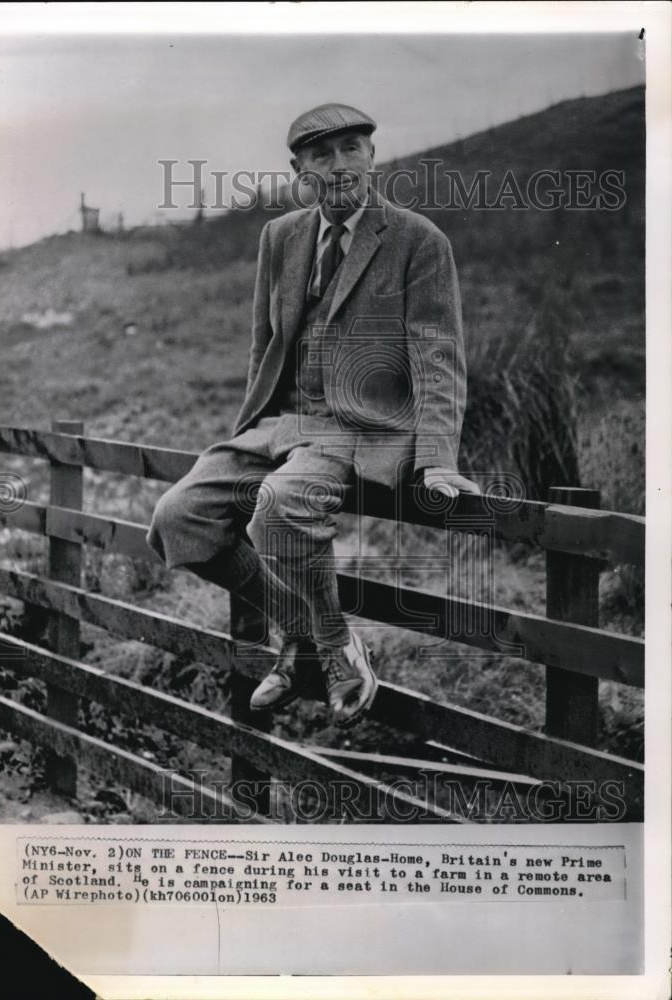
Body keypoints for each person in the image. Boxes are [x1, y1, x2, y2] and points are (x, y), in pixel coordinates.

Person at [148, 102, 479, 726]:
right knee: (178, 519)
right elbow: (262, 343)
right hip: (280, 423)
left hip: (356, 427)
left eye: (352, 149)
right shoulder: (280, 237)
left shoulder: (418, 241)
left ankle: (334, 653)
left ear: (373, 156)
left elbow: (439, 359)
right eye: (323, 155)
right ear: (299, 167)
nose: (340, 165)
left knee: (277, 508)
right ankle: (308, 633)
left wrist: (437, 461)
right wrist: (248, 432)